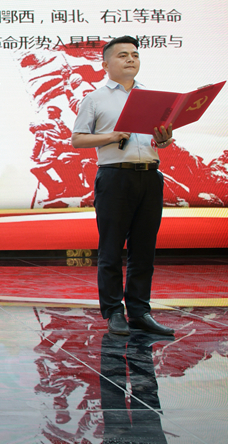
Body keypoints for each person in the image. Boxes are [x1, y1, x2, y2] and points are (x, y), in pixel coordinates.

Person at [71, 36, 174, 336]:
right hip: (115, 176)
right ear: (105, 64)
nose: (131, 59)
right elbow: (77, 139)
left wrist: (165, 139)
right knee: (112, 248)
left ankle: (140, 311)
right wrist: (112, 136)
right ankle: (114, 312)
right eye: (123, 55)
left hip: (150, 175)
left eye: (135, 55)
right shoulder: (95, 99)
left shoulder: (151, 97)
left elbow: (161, 140)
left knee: (144, 248)